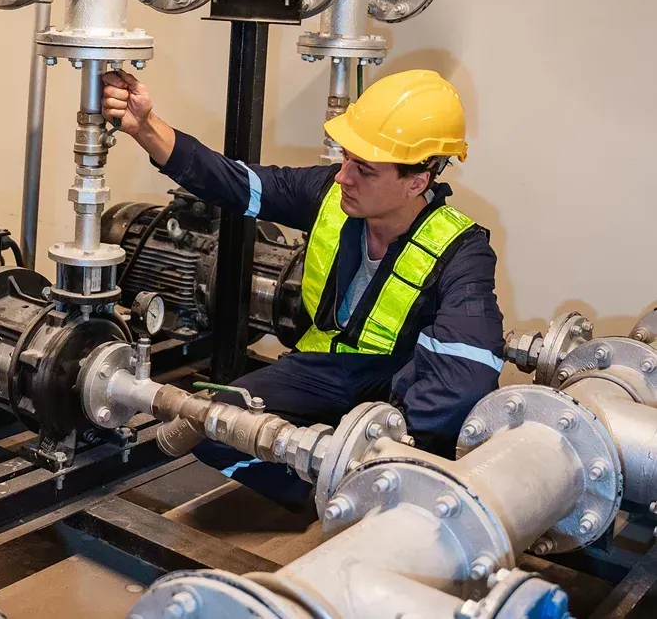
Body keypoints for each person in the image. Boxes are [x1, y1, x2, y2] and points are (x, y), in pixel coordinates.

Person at [101, 68, 505, 499]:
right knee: (211, 425)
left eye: (364, 170)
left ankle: (366, 495)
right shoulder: (328, 194)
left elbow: (466, 375)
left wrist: (390, 453)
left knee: (423, 447)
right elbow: (235, 182)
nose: (343, 177)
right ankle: (323, 497)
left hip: (397, 389)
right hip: (323, 369)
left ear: (417, 181)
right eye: (347, 159)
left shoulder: (461, 250)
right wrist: (145, 128)